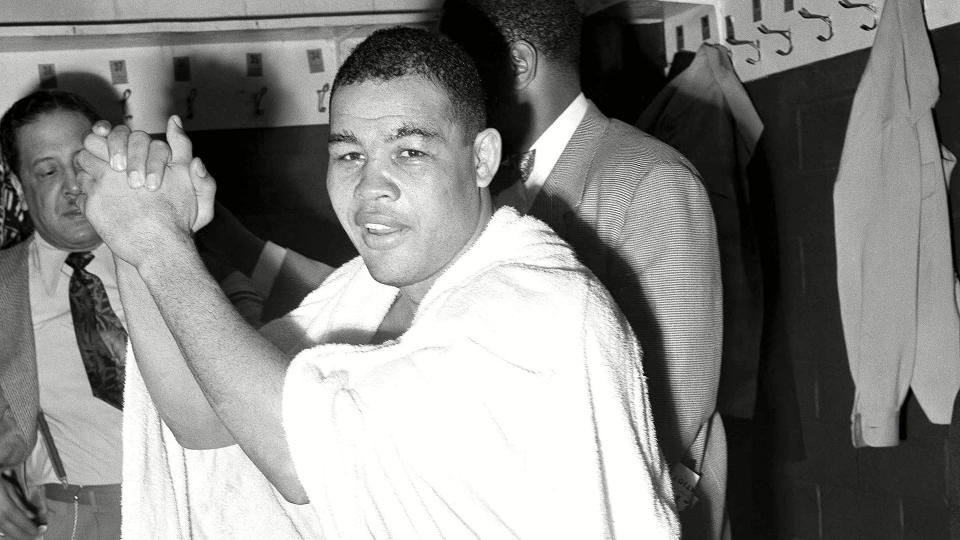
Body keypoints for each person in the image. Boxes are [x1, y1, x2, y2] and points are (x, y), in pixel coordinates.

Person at [75, 27, 679, 538]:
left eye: (410, 152)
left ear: (482, 159)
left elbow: (294, 452)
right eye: (349, 155)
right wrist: (136, 228)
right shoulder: (361, 295)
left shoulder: (541, 308)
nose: (371, 188)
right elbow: (206, 420)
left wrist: (159, 246)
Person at [438, 1, 726, 537]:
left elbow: (679, 404)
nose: (457, 97)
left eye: (466, 73)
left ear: (518, 63)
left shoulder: (647, 176)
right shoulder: (497, 191)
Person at [0, 90, 125, 540]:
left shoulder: (171, 255)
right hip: (83, 518)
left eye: (83, 161)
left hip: (206, 500)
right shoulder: (3, 288)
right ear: (17, 185)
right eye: (48, 170)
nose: (73, 184)